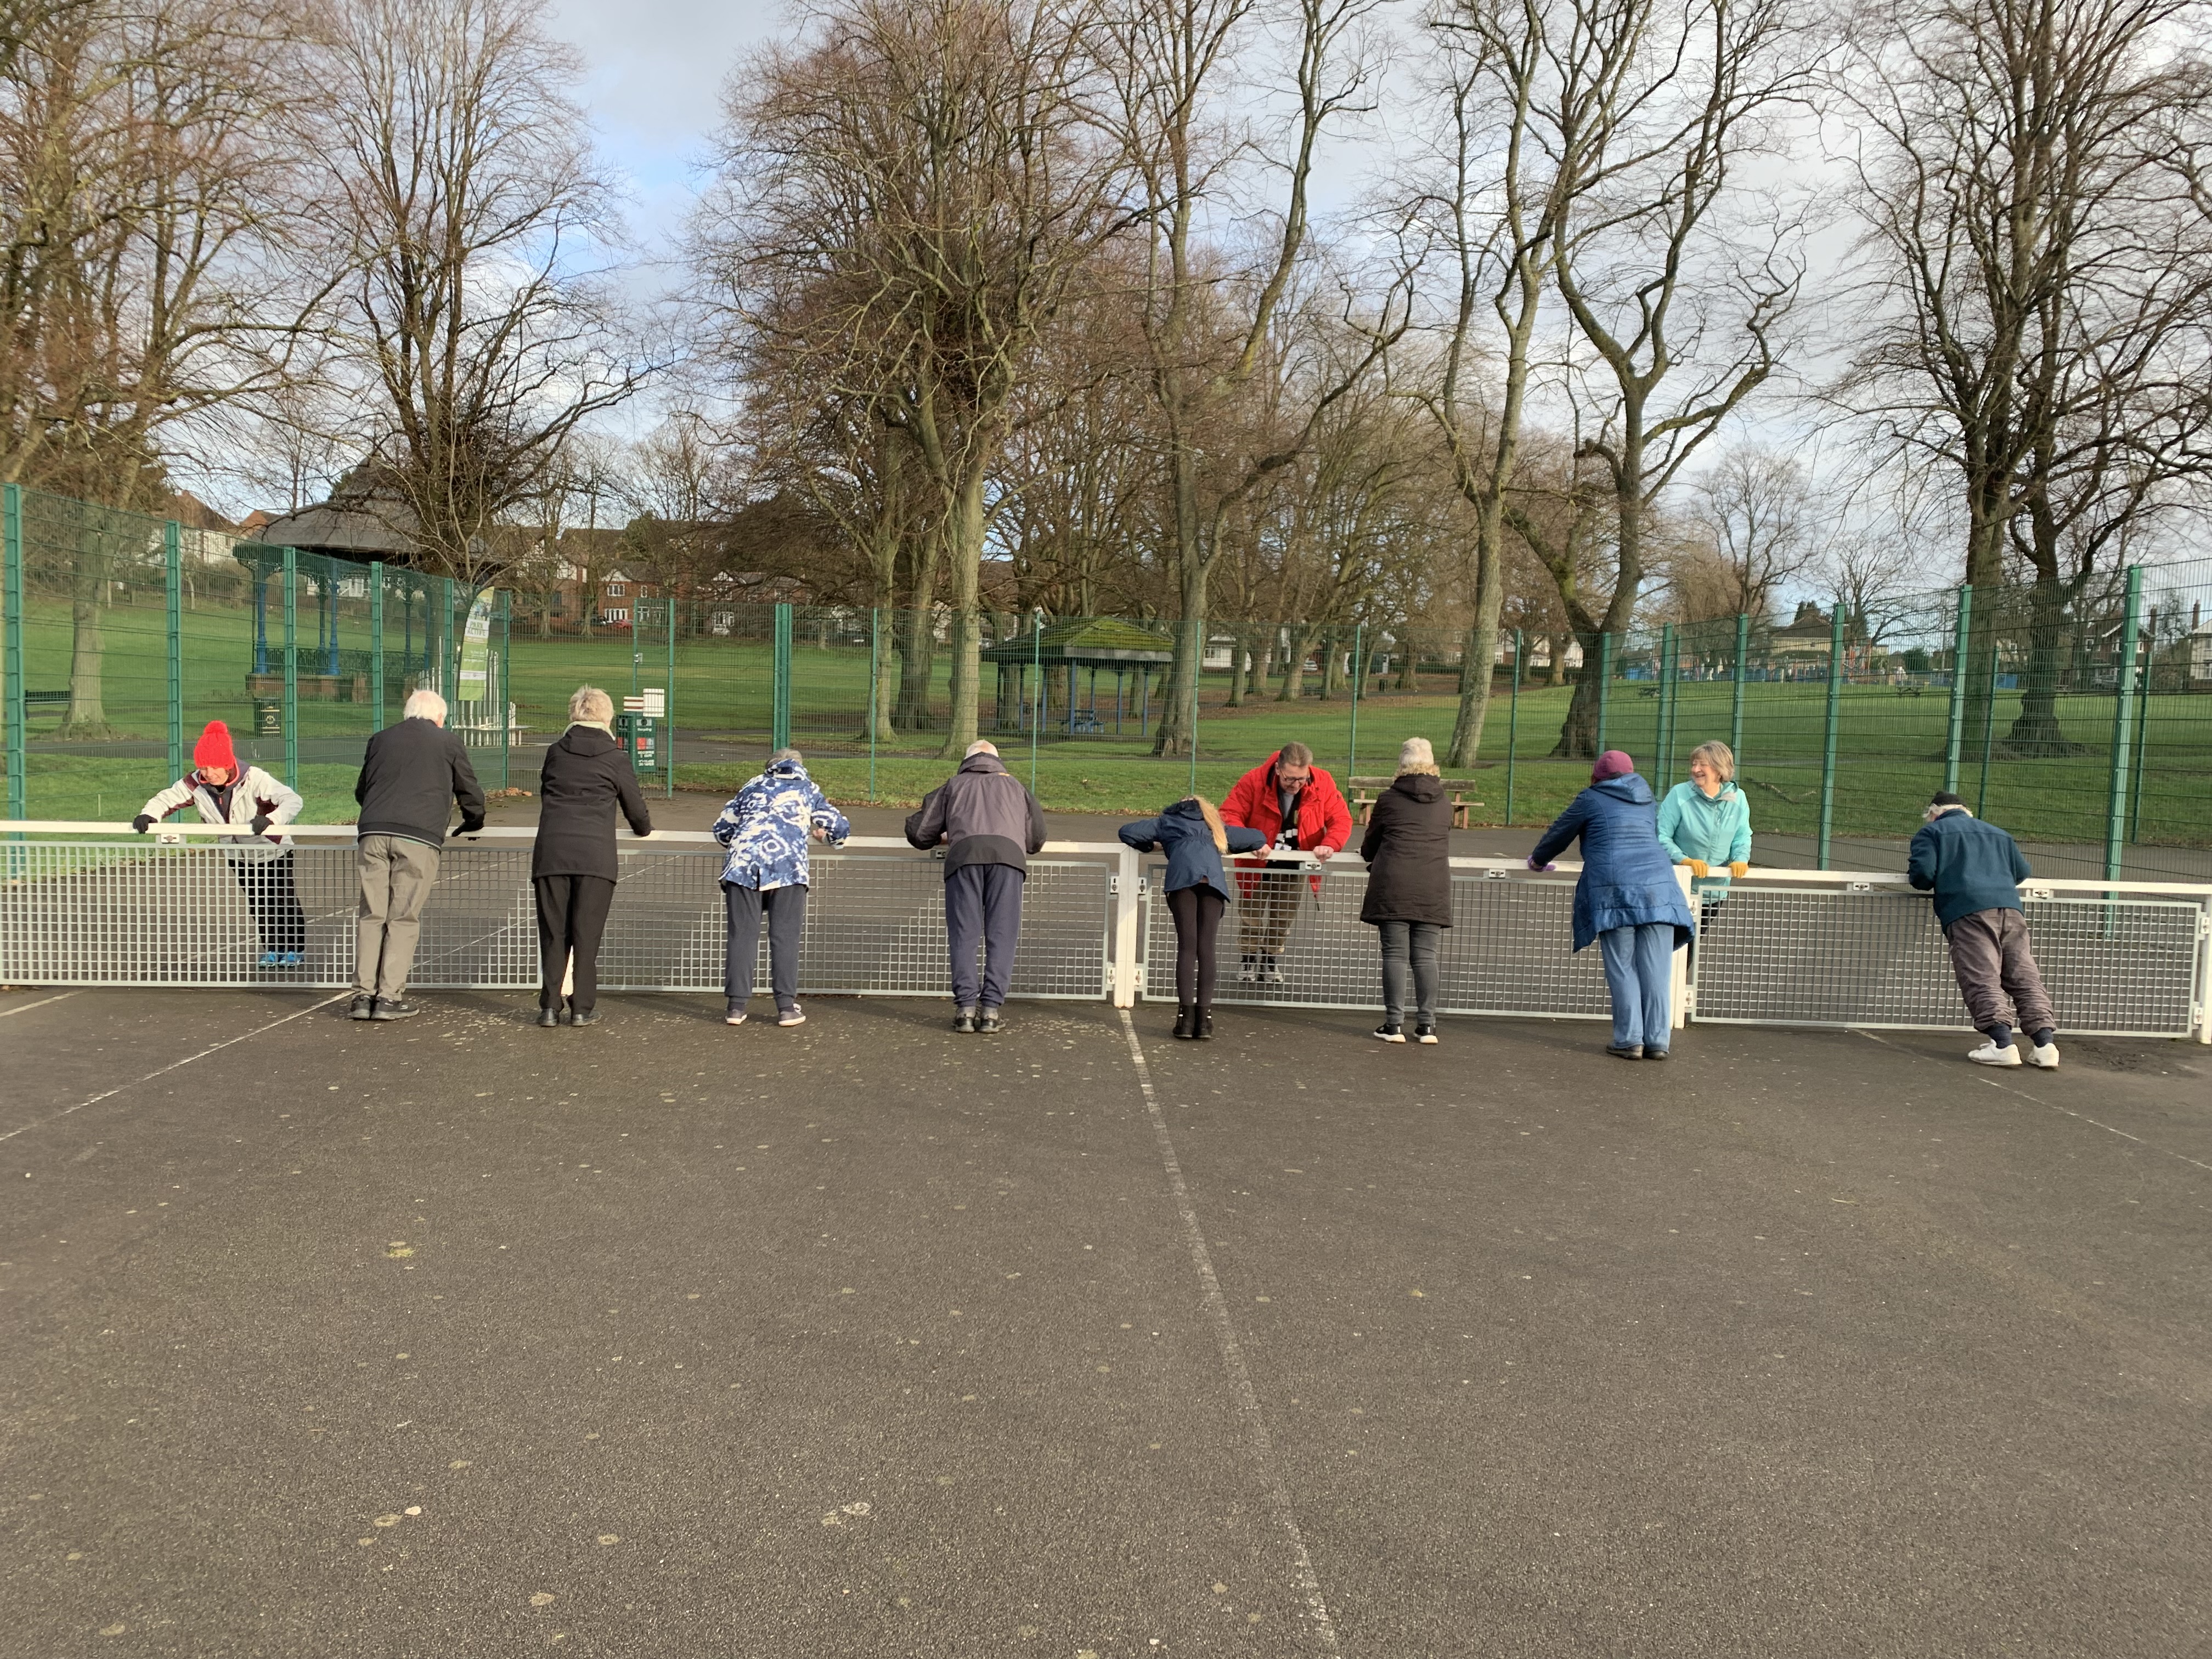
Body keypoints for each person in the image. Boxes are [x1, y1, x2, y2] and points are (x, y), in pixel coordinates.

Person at [1527, 749, 1695, 1060]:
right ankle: (1658, 1041)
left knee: (1623, 967)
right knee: (1657, 970)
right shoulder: (1646, 798)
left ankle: (1630, 1040)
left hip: (1615, 888)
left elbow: (1559, 833)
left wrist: (1538, 861)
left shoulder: (1591, 798)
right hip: (1659, 888)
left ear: (1597, 775)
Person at [348, 689, 486, 1020]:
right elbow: (470, 791)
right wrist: (473, 820)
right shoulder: (448, 742)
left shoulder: (380, 739)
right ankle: (389, 998)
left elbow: (362, 790)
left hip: (373, 833)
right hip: (418, 837)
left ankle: (363, 996)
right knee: (403, 917)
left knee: (372, 916)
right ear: (440, 718)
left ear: (408, 713)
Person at [134, 720, 306, 969]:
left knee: (281, 899)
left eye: (214, 766)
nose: (208, 773)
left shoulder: (254, 778)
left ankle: (294, 948)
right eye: (203, 767)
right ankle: (272, 948)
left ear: (227, 764)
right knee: (257, 900)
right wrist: (149, 814)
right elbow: (167, 798)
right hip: (238, 853)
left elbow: (293, 800)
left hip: (272, 849)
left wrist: (271, 820)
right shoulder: (195, 783)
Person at [905, 740, 1047, 1034]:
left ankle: (966, 1009)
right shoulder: (1017, 787)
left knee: (964, 934)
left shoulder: (953, 785)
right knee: (1002, 935)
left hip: (964, 858)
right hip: (1008, 860)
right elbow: (1035, 840)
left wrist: (950, 835)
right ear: (997, 759)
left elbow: (919, 833)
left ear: (966, 760)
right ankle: (992, 1010)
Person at [1908, 792, 2059, 1068]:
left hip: (1968, 911)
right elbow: (2022, 871)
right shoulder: (1999, 834)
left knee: (1981, 976)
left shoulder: (1931, 832)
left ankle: (2002, 1044)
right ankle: (2045, 1045)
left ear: (1934, 813)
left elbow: (1923, 876)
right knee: (2024, 975)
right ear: (1967, 811)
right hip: (2011, 910)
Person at [532, 686, 653, 1027]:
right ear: (607, 716)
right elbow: (635, 808)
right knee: (587, 933)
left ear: (573, 714)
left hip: (552, 852)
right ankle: (582, 1007)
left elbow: (547, 791)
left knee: (554, 932)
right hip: (596, 856)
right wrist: (643, 829)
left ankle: (549, 1006)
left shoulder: (555, 753)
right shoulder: (615, 757)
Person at [712, 748, 850, 1028]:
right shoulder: (807, 789)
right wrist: (826, 837)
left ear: (769, 767)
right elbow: (839, 827)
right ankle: (786, 1007)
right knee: (785, 937)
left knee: (743, 936)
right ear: (800, 766)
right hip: (788, 867)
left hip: (743, 865)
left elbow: (722, 829)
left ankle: (736, 1007)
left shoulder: (753, 785)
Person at [1119, 795, 1265, 1039]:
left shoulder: (1167, 821)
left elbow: (1127, 832)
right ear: (1206, 809)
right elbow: (1258, 837)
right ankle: (1205, 1020)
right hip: (1213, 882)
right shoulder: (1215, 826)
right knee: (1207, 949)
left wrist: (1153, 845)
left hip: (1182, 881)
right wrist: (1225, 845)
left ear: (1178, 806)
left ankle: (1185, 1020)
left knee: (1187, 948)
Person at [1220, 742, 1352, 986]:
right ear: (1279, 769)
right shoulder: (1254, 781)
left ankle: (1270, 962)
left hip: (1296, 861)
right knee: (1251, 915)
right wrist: (1251, 842)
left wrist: (1330, 843)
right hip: (1257, 861)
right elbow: (1230, 814)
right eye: (1290, 779)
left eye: (1302, 779)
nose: (1296, 785)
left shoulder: (1322, 782)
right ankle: (1248, 960)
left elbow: (1341, 818)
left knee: (1283, 918)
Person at [1359, 737, 1454, 1044]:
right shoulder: (1444, 802)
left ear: (1401, 765)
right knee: (1426, 956)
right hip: (1432, 884)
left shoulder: (1388, 799)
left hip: (1394, 884)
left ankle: (1393, 1025)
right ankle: (1427, 1026)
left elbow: (1370, 845)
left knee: (1396, 955)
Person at [1656, 739, 1752, 940]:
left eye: (1702, 765)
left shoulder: (1739, 798)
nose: (1696, 769)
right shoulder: (1679, 794)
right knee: (1669, 948)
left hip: (1713, 891)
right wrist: (1685, 861)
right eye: (1693, 764)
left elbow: (1742, 837)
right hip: (1677, 887)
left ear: (1719, 770)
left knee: (1691, 946)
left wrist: (1741, 858)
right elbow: (1662, 836)